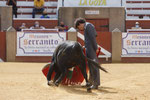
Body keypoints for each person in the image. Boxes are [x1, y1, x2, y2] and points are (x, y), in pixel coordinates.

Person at [74, 17, 100, 89]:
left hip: (91, 49)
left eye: (78, 27)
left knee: (94, 66)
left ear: (80, 24)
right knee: (91, 66)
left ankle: (96, 84)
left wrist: (95, 48)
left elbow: (92, 38)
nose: (79, 29)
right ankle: (91, 82)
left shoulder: (89, 26)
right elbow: (89, 39)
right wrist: (85, 46)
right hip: (89, 48)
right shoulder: (87, 27)